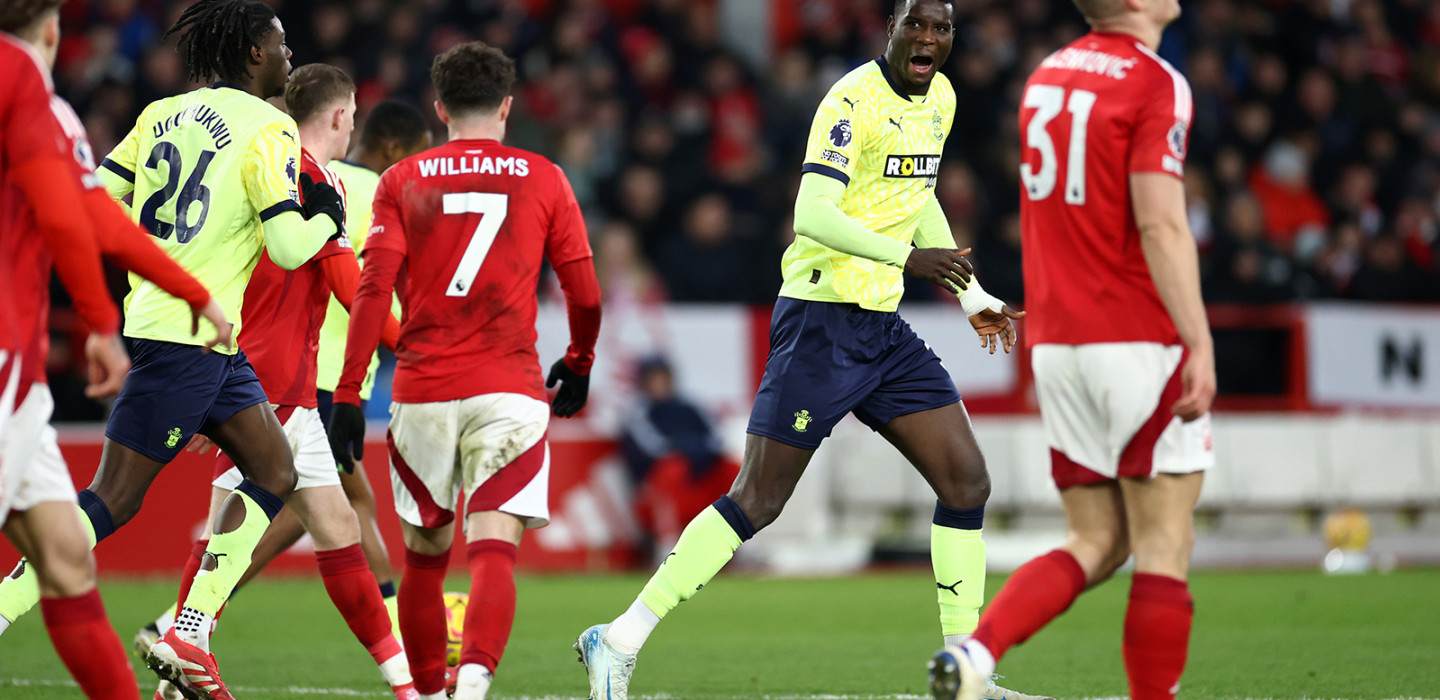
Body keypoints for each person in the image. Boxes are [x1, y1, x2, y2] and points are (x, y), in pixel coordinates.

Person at [574, 2, 1039, 700]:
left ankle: (964, 671)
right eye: (916, 24)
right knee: (758, 500)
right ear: (892, 27)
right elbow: (812, 214)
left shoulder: (939, 97)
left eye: (941, 28)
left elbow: (919, 195)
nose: (928, 39)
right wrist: (912, 260)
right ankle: (617, 639)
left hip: (882, 329)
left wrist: (970, 293)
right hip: (821, 321)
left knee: (967, 482)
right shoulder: (850, 101)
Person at [0, 1, 346, 697]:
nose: (288, 54)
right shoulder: (271, 127)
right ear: (252, 55)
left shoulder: (163, 114)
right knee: (113, 502)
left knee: (275, 467)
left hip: (203, 339)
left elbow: (104, 198)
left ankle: (190, 629)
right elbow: (285, 244)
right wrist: (327, 222)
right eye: (279, 45)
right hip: (182, 338)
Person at [927, 1, 1216, 699]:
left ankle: (973, 656)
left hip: (1059, 343)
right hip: (1138, 336)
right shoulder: (1155, 82)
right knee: (1165, 544)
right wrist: (1199, 338)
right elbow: (1161, 225)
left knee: (1098, 540)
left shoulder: (1047, 77)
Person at [327, 41, 602, 700]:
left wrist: (345, 389)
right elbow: (585, 292)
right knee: (494, 549)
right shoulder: (544, 177)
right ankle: (472, 686)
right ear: (507, 106)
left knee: (425, 559)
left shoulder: (403, 180)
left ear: (441, 107)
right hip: (508, 388)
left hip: (423, 389)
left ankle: (426, 694)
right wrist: (580, 360)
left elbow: (372, 290)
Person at [133, 63, 417, 700]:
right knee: (217, 529)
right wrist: (414, 343)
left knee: (339, 527)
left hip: (255, 373)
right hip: (269, 384)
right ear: (342, 117)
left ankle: (407, 686)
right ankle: (179, 651)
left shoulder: (259, 165)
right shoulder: (316, 180)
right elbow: (349, 281)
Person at [0, 2, 229, 698]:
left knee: (68, 561)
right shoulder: (24, 80)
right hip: (4, 354)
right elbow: (64, 210)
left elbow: (95, 206)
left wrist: (191, 291)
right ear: (52, 28)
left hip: (23, 378)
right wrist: (101, 322)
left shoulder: (41, 104)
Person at [620, 357, 739, 557]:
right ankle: (668, 545)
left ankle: (741, 541)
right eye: (654, 379)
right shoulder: (638, 414)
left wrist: (695, 452)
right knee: (672, 467)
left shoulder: (690, 408)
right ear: (643, 383)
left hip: (696, 481)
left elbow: (717, 440)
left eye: (663, 378)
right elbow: (655, 450)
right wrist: (687, 449)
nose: (660, 384)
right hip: (654, 493)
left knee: (731, 467)